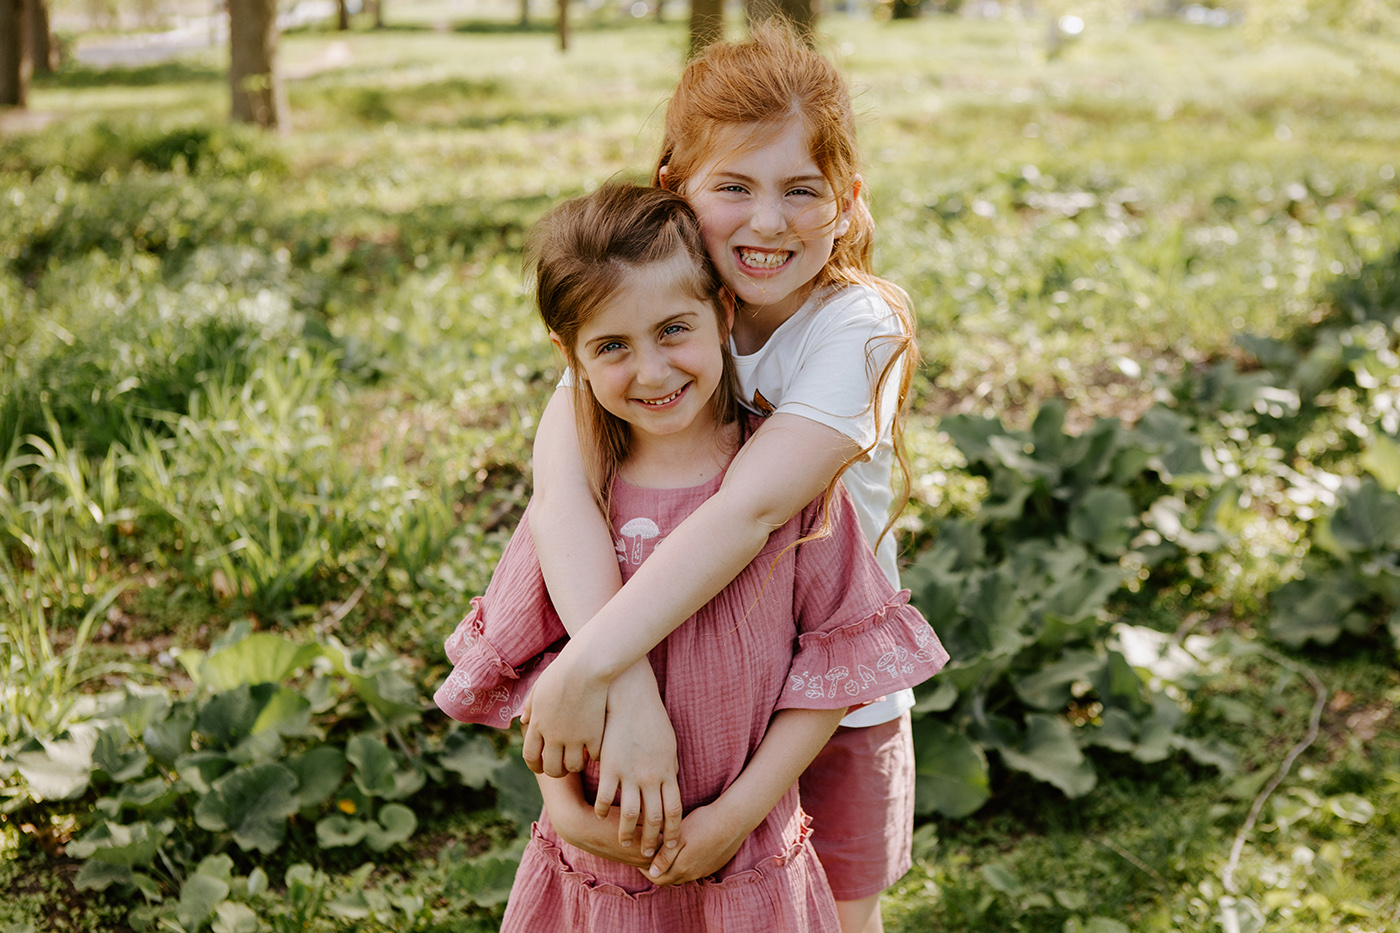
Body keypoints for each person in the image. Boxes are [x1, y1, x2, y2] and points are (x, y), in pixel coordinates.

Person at [435, 184, 946, 931]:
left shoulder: (787, 481)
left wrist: (737, 817)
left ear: (723, 315)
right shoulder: (581, 500)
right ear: (569, 356)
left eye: (674, 329)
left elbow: (833, 669)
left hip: (747, 851)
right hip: (602, 858)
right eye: (612, 346)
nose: (651, 371)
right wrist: (564, 810)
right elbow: (542, 672)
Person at [521, 25, 922, 933]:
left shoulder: (856, 327)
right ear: (676, 190)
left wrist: (588, 667)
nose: (768, 221)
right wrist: (621, 692)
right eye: (733, 187)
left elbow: (753, 509)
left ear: (847, 202)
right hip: (674, 705)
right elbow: (561, 501)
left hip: (827, 711)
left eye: (801, 191)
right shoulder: (653, 316)